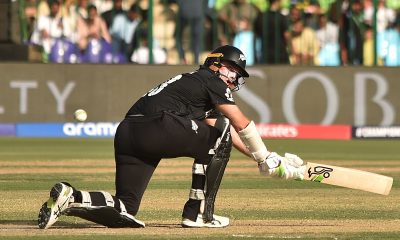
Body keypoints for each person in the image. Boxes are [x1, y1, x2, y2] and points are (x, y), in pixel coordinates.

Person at [37, 45, 305, 229]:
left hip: (129, 133)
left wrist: (266, 160)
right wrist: (265, 156)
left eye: (238, 73)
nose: (235, 77)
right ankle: (198, 214)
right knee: (218, 130)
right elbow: (237, 122)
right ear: (216, 63)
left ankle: (71, 197)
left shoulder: (194, 85)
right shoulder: (209, 79)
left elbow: (227, 135)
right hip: (157, 127)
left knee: (126, 207)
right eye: (232, 69)